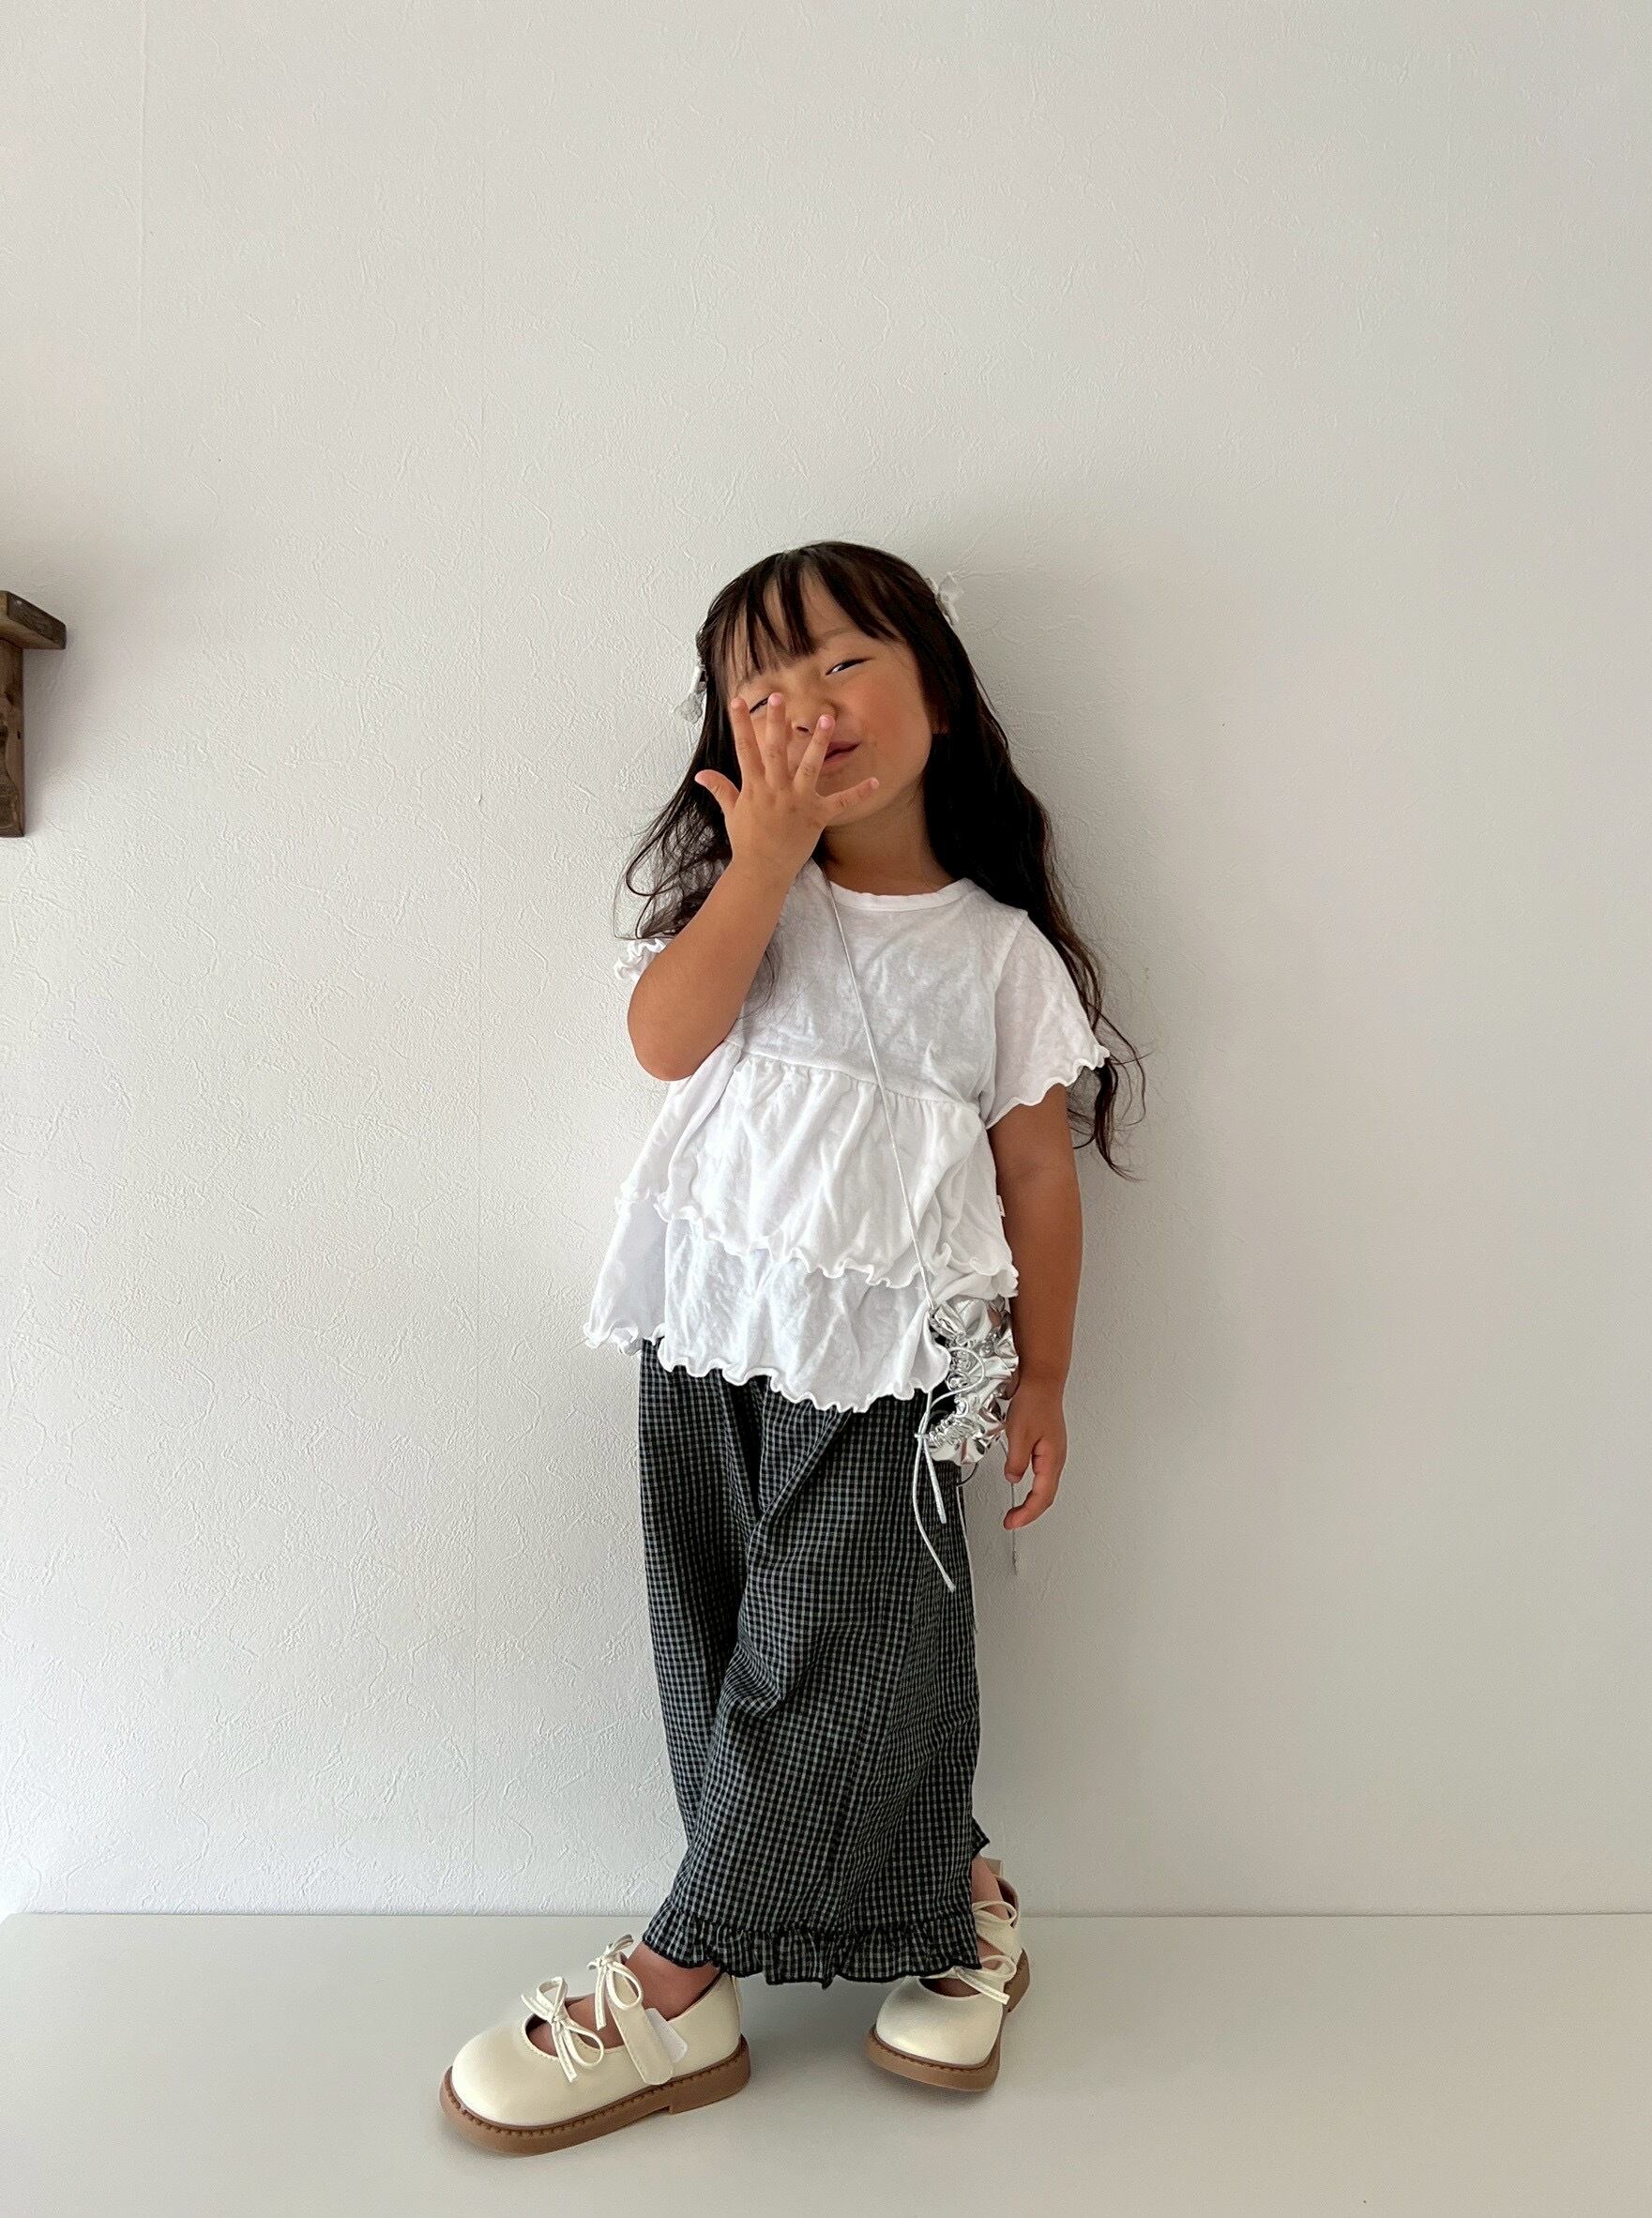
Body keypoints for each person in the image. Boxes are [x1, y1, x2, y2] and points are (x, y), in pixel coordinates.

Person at [441, 540, 1143, 2155]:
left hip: (894, 1359)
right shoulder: (749, 905)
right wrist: (758, 862)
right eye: (759, 688)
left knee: (829, 1645)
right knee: (718, 1641)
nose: (805, 706)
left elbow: (1039, 1178)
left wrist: (1045, 1374)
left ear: (935, 696)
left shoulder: (998, 955)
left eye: (841, 662)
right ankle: (954, 1893)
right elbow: (664, 1043)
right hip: (708, 1329)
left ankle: (677, 1982)